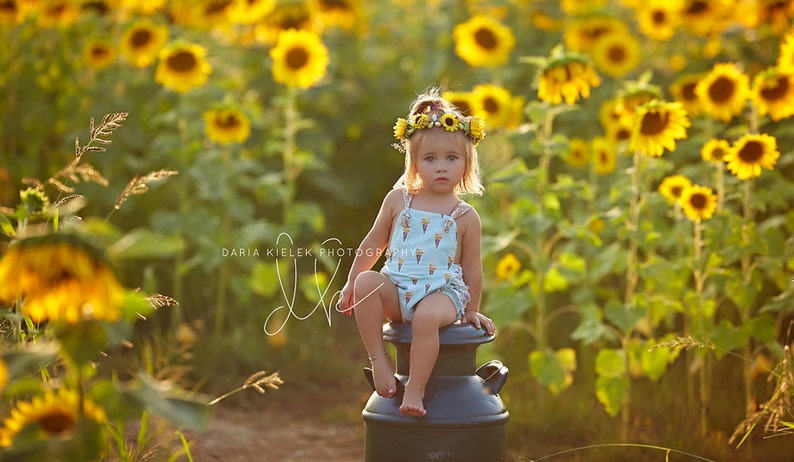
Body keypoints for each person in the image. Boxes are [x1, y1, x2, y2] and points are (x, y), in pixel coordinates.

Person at [337, 88, 496, 417]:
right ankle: (380, 362)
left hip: (441, 294)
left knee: (425, 318)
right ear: (414, 162)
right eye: (430, 159)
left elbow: (472, 269)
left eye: (451, 158)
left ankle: (415, 389)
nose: (441, 167)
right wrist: (352, 281)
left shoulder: (465, 216)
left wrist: (471, 310)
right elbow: (373, 242)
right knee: (368, 283)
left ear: (467, 163)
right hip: (398, 287)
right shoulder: (399, 200)